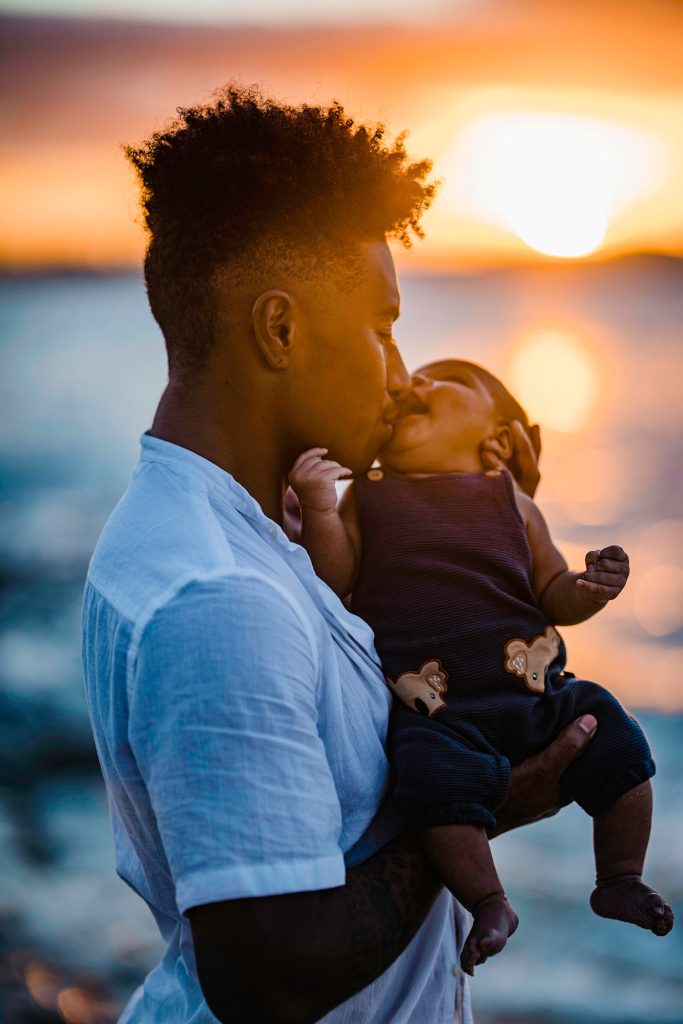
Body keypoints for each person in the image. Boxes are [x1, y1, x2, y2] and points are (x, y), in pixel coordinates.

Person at [82, 85, 600, 1024]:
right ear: (280, 329)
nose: (402, 376)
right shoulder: (219, 594)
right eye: (383, 327)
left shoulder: (248, 532)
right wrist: (487, 796)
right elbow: (267, 972)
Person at [289, 358, 674, 979]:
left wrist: (590, 587)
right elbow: (335, 581)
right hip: (438, 711)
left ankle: (619, 875)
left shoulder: (510, 500)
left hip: (537, 695)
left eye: (441, 383)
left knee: (616, 734)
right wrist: (321, 510)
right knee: (431, 786)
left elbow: (552, 588)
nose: (410, 384)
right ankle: (488, 900)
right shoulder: (372, 496)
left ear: (495, 439)